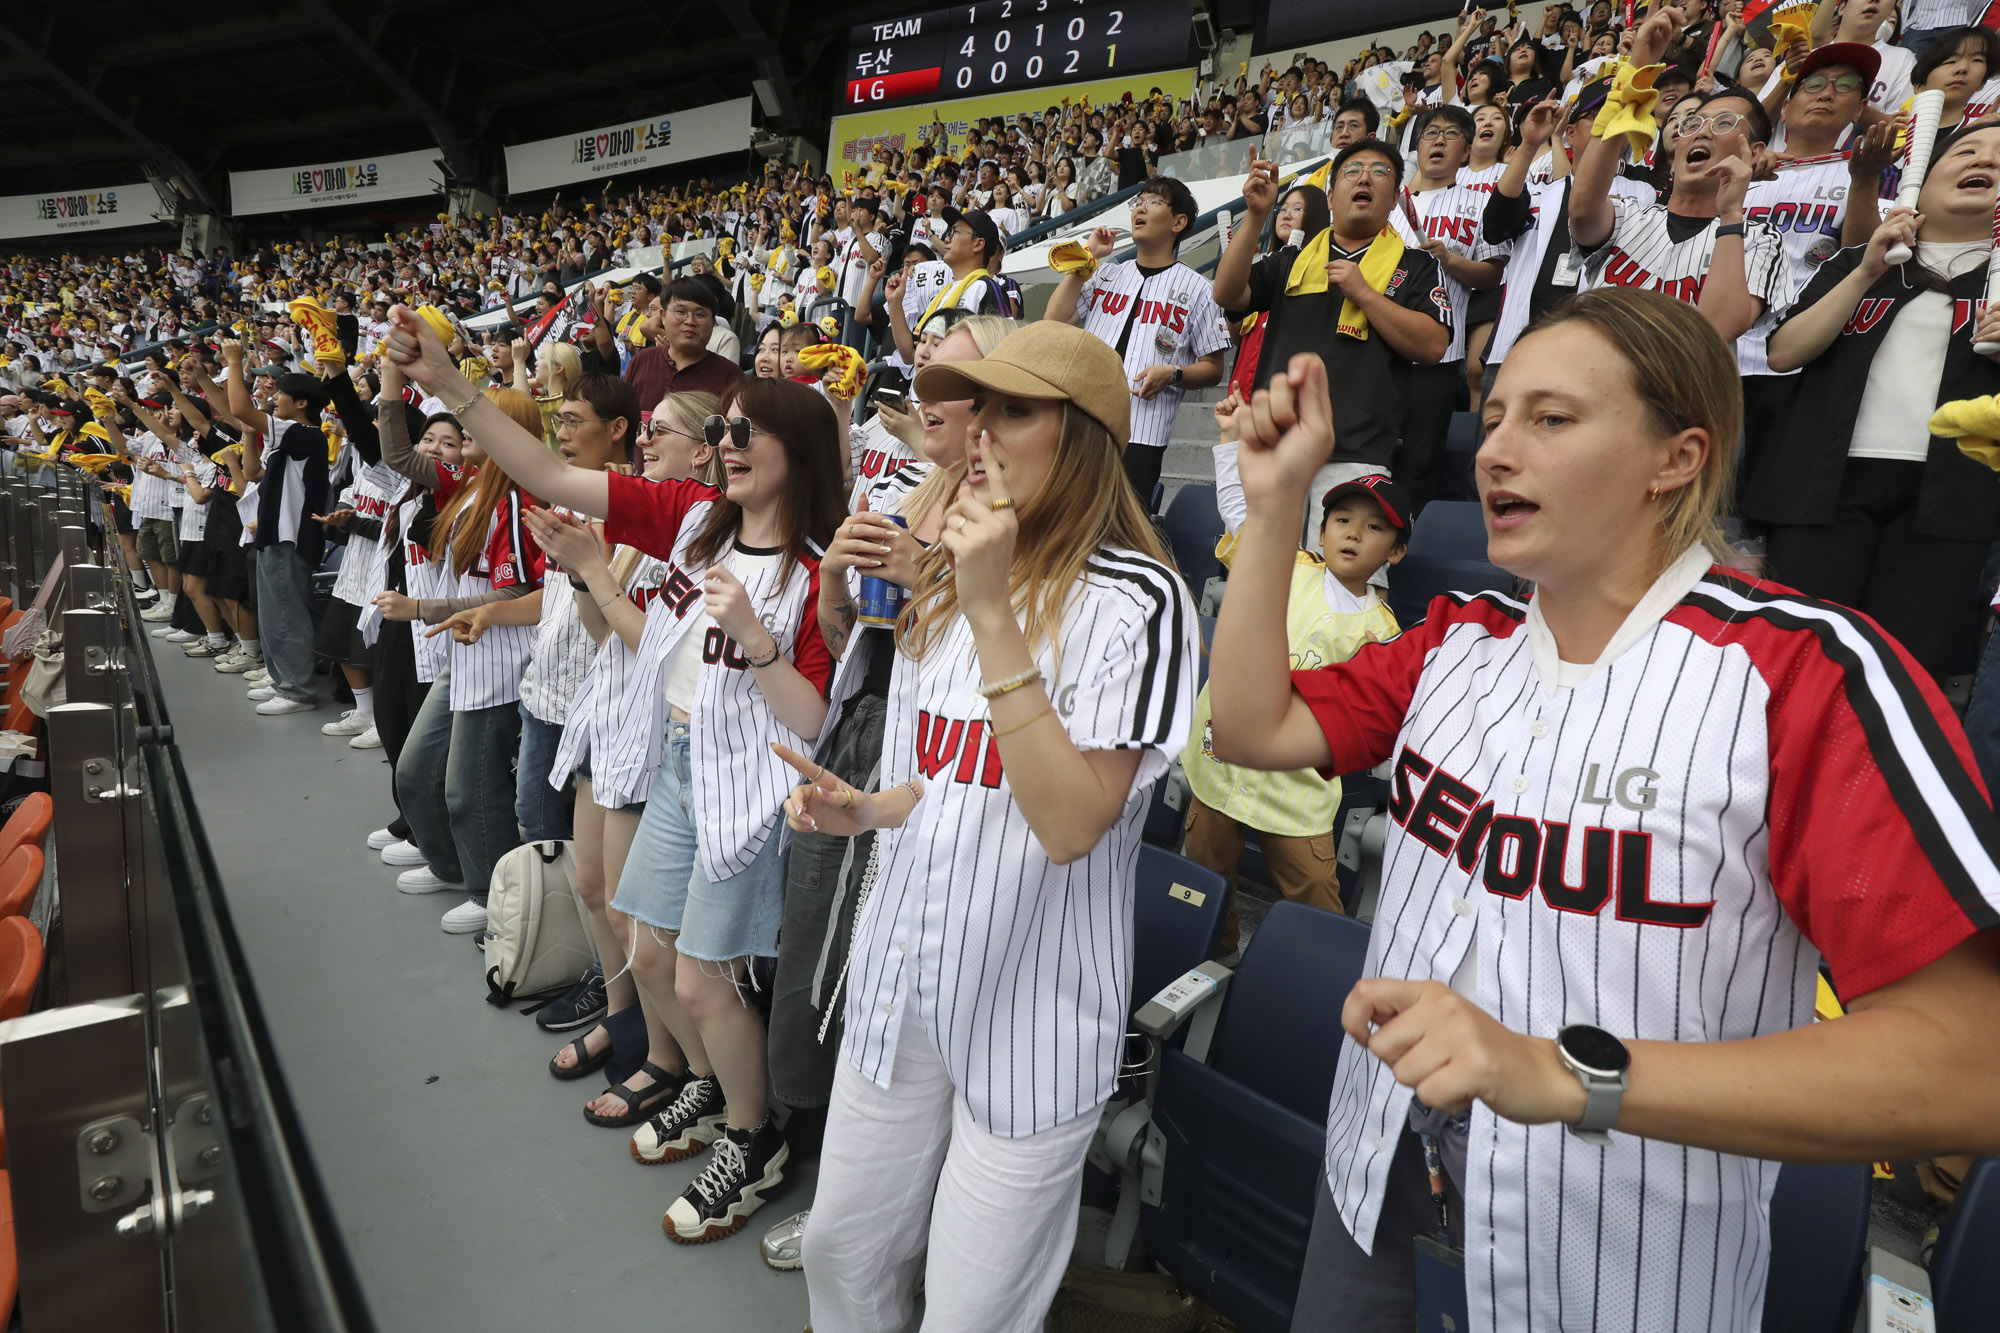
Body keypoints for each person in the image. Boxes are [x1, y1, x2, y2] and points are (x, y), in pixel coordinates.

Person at [1211, 288, 2000, 1333]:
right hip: (1377, 1171)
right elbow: (1252, 729)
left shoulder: (1807, 673)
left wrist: (1564, 1070)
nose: (1494, 449)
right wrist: (1273, 513)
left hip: (1620, 1266)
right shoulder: (1457, 634)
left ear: (1675, 457)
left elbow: (1967, 1058)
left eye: (1550, 418)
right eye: (1491, 416)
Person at [383, 305, 841, 1243]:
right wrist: (454, 385)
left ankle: (756, 1141)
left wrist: (756, 641)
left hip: (742, 783)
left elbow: (814, 719)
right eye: (721, 429)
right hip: (672, 759)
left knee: (708, 977)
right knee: (648, 943)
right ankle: (722, 1098)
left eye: (745, 429)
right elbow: (547, 471)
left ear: (797, 447)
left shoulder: (813, 571)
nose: (726, 444)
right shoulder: (695, 521)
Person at [786, 322, 1196, 1332]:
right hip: (904, 970)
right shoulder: (945, 579)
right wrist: (863, 807)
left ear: (1086, 435)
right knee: (842, 1249)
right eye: (979, 408)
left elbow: (1068, 826)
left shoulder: (1140, 599)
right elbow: (935, 782)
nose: (979, 433)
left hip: (1034, 1002)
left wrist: (990, 609)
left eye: (1014, 410)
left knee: (971, 1313)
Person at [759, 312, 1019, 1273]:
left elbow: (979, 670)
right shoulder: (916, 489)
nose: (927, 401)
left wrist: (926, 588)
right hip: (864, 731)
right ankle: (838, 1184)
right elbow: (853, 635)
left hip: (936, 770)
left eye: (951, 386)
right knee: (821, 963)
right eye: (926, 383)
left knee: (857, 979)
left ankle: (860, 1204)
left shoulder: (1015, 516)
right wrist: (837, 581)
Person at [1750, 121, 2000, 681]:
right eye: (1966, 151)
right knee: (1798, 660)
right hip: (1825, 488)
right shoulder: (1863, 261)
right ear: (1922, 180)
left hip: (1952, 500)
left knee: (1904, 673)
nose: (1985, 159)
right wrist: (1865, 268)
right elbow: (1784, 351)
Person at [1187, 397, 1403, 958]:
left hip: (1296, 791)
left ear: (1396, 552)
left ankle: (1318, 981)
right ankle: (1214, 957)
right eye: (1342, 520)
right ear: (1322, 527)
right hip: (1219, 764)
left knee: (1313, 899)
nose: (1353, 534)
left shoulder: (1383, 630)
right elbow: (1242, 512)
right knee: (1203, 883)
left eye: (1375, 527)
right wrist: (1231, 441)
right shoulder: (1289, 562)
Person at [1211, 142, 1450, 548]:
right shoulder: (1294, 258)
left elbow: (1432, 346)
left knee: (1343, 596)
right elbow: (1227, 293)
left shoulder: (1417, 266)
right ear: (1330, 194)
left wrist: (1367, 295)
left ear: (1395, 198)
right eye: (1352, 170)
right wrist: (1256, 216)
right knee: (1267, 584)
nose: (1363, 177)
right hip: (1275, 449)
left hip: (1356, 458)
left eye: (1379, 172)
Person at [1569, 12, 1793, 343]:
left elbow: (1717, 329)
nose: (1702, 131)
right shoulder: (1631, 215)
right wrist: (1635, 74)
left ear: (1755, 153)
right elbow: (1583, 212)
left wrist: (1731, 214)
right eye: (1693, 123)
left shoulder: (1760, 240)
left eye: (1724, 123)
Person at [1736, 42, 1877, 468]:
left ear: (1859, 109)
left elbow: (1861, 257)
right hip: (1711, 359)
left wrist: (1865, 178)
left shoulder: (1870, 171)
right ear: (1786, 105)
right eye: (1813, 84)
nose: (1826, 93)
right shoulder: (1737, 173)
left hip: (1798, 364)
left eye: (1845, 86)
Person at [1047, 176, 1230, 503]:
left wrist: (1172, 374)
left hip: (1142, 436)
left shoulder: (1199, 289)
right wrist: (1087, 259)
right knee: (1066, 521)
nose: (1140, 209)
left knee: (1119, 536)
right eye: (1139, 202)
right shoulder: (1107, 273)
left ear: (1179, 222)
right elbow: (1054, 320)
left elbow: (1214, 368)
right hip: (1083, 420)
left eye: (1153, 202)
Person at [1393, 105, 1508, 510]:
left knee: (1419, 462)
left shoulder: (1481, 203)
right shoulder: (1389, 202)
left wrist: (1450, 260)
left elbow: (1493, 275)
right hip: (1379, 348)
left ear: (1466, 150)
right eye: (1431, 133)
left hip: (1442, 355)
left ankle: (1401, 547)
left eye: (1451, 134)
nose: (1439, 140)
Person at [218, 338, 329, 715]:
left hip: (291, 539)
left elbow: (237, 409)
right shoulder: (288, 438)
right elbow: (251, 471)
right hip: (271, 536)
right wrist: (251, 428)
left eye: (281, 393)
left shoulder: (305, 435)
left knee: (286, 615)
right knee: (272, 614)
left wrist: (234, 361)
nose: (275, 397)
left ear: (301, 404)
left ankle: (297, 690)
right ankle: (284, 680)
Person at [620, 277, 743, 409]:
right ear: (663, 316)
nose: (690, 321)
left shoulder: (731, 376)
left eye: (700, 314)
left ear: (713, 320)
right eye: (680, 312)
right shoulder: (642, 361)